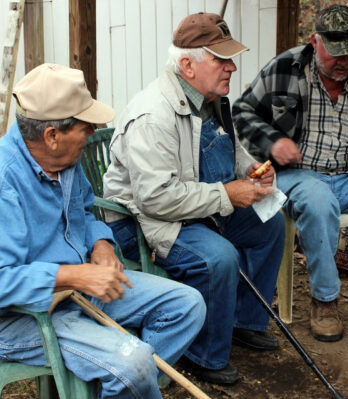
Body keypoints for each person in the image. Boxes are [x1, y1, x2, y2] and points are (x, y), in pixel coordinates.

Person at [0, 63, 206, 398]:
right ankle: (128, 374)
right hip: (17, 319)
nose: (93, 133)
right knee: (134, 362)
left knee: (187, 305)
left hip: (75, 293)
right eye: (86, 127)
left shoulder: (64, 163)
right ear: (52, 136)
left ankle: (123, 384)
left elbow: (84, 212)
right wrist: (74, 275)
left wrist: (101, 244)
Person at [103, 13, 285, 385]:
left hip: (199, 205)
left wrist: (253, 169)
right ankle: (203, 355)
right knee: (219, 257)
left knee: (270, 222)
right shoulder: (153, 116)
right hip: (144, 222)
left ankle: (243, 321)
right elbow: (156, 200)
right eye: (221, 60)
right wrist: (226, 194)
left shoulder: (211, 99)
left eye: (230, 58)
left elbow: (229, 153)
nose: (232, 67)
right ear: (187, 64)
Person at [232, 4, 348, 343]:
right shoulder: (283, 69)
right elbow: (242, 113)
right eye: (335, 54)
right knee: (318, 200)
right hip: (298, 174)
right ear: (314, 42)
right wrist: (273, 142)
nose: (344, 61)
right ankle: (325, 299)